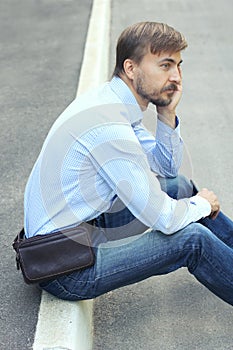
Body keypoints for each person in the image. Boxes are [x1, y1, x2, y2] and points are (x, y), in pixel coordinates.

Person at [24, 21, 233, 305]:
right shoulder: (109, 124)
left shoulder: (113, 104)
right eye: (165, 65)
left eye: (179, 66)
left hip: (84, 228)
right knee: (191, 239)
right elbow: (164, 219)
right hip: (64, 266)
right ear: (131, 68)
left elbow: (166, 169)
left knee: (180, 187)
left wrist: (167, 114)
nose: (176, 77)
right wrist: (204, 204)